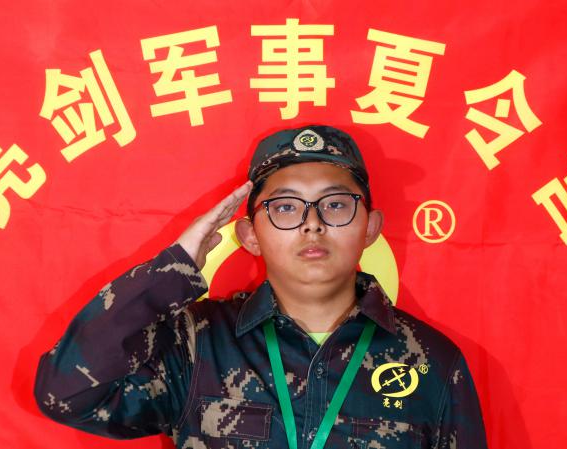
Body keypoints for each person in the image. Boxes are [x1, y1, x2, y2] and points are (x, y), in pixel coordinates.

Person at [34, 125, 488, 448]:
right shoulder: (196, 343)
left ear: (370, 228)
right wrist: (172, 270)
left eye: (335, 204)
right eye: (286, 207)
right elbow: (66, 395)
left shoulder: (431, 361)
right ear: (250, 235)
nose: (312, 224)